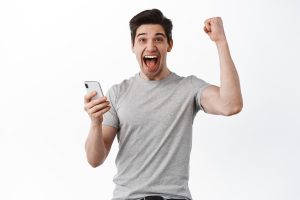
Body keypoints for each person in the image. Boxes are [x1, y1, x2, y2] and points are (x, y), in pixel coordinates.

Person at [84, 8, 243, 200]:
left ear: (169, 44)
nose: (150, 46)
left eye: (158, 39)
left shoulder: (189, 87)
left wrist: (221, 42)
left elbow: (231, 105)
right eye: (142, 39)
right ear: (133, 46)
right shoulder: (118, 93)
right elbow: (94, 159)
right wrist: (95, 123)